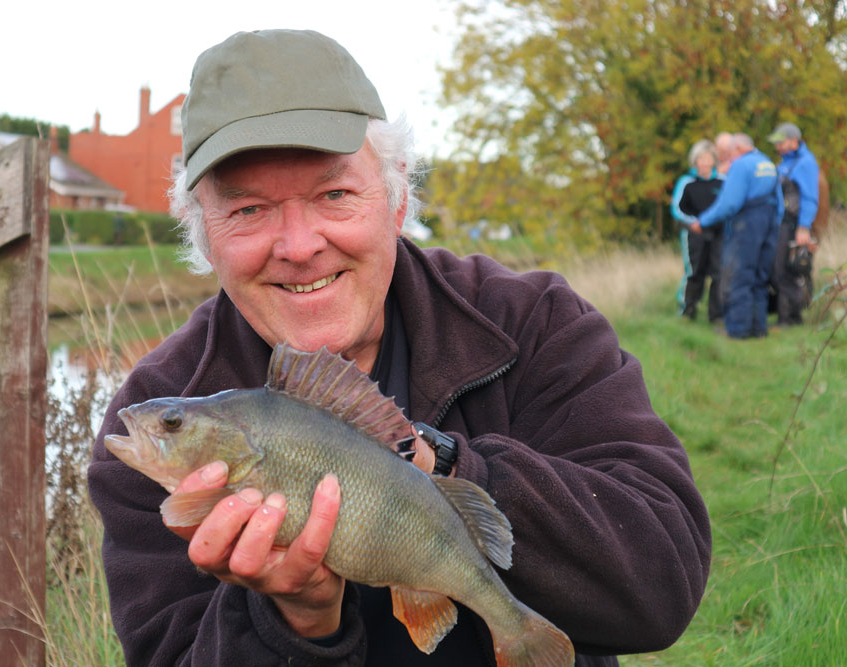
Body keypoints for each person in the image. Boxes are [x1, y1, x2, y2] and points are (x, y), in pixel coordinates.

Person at [88, 29, 711, 667]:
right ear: (201, 233)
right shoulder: (150, 423)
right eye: (248, 210)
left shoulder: (533, 324)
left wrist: (457, 470)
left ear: (397, 199)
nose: (299, 245)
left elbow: (663, 584)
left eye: (334, 195)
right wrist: (293, 622)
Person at [691, 134, 783, 338]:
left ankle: (738, 330)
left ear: (739, 149)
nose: (728, 159)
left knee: (739, 276)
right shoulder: (767, 163)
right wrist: (775, 224)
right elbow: (779, 201)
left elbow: (729, 203)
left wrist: (703, 221)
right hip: (769, 224)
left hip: (747, 225)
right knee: (760, 278)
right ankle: (759, 328)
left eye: (729, 154)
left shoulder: (741, 165)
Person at [766, 122, 821, 326]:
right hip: (781, 223)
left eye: (781, 142)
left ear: (794, 141)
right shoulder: (784, 164)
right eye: (777, 143)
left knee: (787, 270)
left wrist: (804, 227)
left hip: (793, 224)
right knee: (778, 269)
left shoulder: (805, 163)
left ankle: (790, 318)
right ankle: (785, 316)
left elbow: (809, 197)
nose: (778, 146)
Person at [671, 139, 724, 322]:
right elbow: (677, 208)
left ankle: (716, 315)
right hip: (694, 234)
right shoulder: (687, 182)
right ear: (695, 161)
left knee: (718, 273)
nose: (705, 162)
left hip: (718, 235)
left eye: (708, 158)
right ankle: (688, 310)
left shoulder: (722, 181)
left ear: (714, 160)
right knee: (694, 271)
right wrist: (693, 223)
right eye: (701, 158)